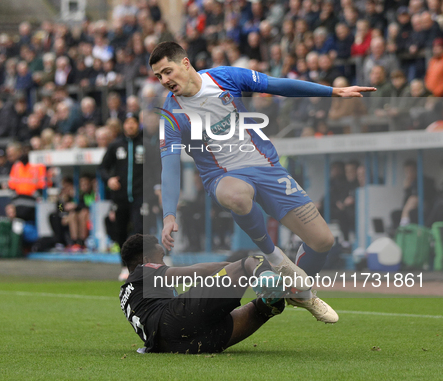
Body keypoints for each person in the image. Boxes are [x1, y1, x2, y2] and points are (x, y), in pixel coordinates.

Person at [151, 42, 375, 323]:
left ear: (185, 63)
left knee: (323, 242)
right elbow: (169, 168)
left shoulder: (224, 77)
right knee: (237, 196)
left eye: (167, 71)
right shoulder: (172, 116)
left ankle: (296, 291)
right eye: (158, 77)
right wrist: (169, 214)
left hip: (267, 169)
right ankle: (277, 258)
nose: (165, 81)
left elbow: (277, 85)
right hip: (223, 178)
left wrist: (333, 91)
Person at [119, 234, 303, 354]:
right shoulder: (144, 271)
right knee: (252, 261)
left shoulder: (126, 293)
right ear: (146, 260)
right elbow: (195, 271)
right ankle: (273, 278)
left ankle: (276, 292)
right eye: (161, 256)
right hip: (175, 319)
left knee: (268, 306)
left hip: (176, 345)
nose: (164, 261)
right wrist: (239, 267)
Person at [99, 114, 144, 281]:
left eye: (133, 123)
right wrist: (109, 179)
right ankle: (124, 266)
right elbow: (102, 168)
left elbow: (155, 167)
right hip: (120, 197)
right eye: (127, 123)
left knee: (139, 231)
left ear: (138, 125)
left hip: (140, 195)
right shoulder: (116, 145)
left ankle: (139, 266)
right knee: (120, 232)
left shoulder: (145, 144)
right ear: (123, 126)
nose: (130, 126)